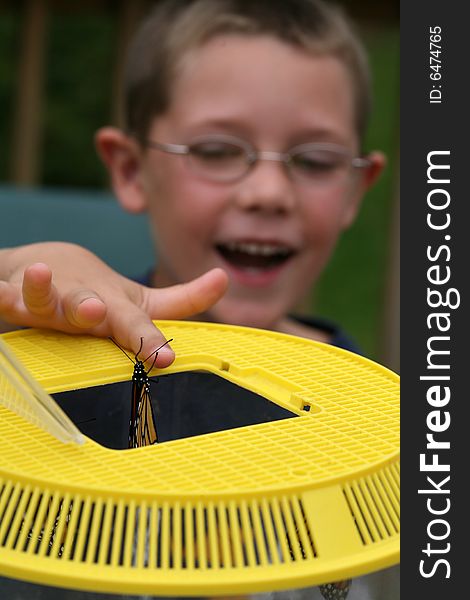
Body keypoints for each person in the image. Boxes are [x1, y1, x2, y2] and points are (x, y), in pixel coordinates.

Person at [0, 0, 398, 598]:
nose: (269, 192)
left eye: (315, 160)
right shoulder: (76, 344)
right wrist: (29, 281)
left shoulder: (371, 404)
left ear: (354, 189)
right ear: (132, 171)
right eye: (216, 151)